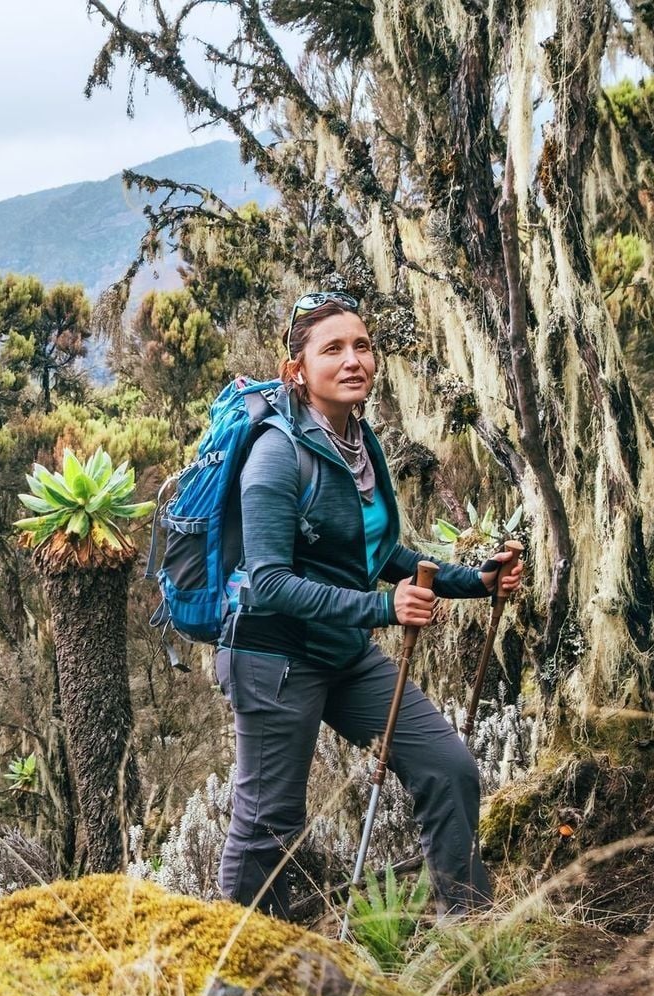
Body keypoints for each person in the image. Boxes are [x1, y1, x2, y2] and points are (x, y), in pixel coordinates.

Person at [214, 290, 523, 920]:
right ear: (297, 369)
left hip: (341, 653)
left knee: (448, 767)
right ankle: (232, 968)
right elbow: (269, 581)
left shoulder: (359, 440)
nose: (354, 359)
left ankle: (467, 931)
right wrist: (384, 610)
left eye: (362, 345)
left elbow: (380, 551)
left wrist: (475, 582)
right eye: (333, 349)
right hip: (273, 658)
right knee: (270, 822)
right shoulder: (278, 453)